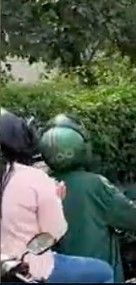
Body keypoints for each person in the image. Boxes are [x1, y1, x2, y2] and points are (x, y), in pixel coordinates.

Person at [39, 114, 136, 283]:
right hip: (97, 275)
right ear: (82, 148)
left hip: (55, 274)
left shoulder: (40, 184)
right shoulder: (95, 185)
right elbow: (134, 219)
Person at [1, 109, 114, 283]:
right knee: (104, 272)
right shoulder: (34, 178)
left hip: (5, 266)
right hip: (31, 269)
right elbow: (55, 231)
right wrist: (56, 201)